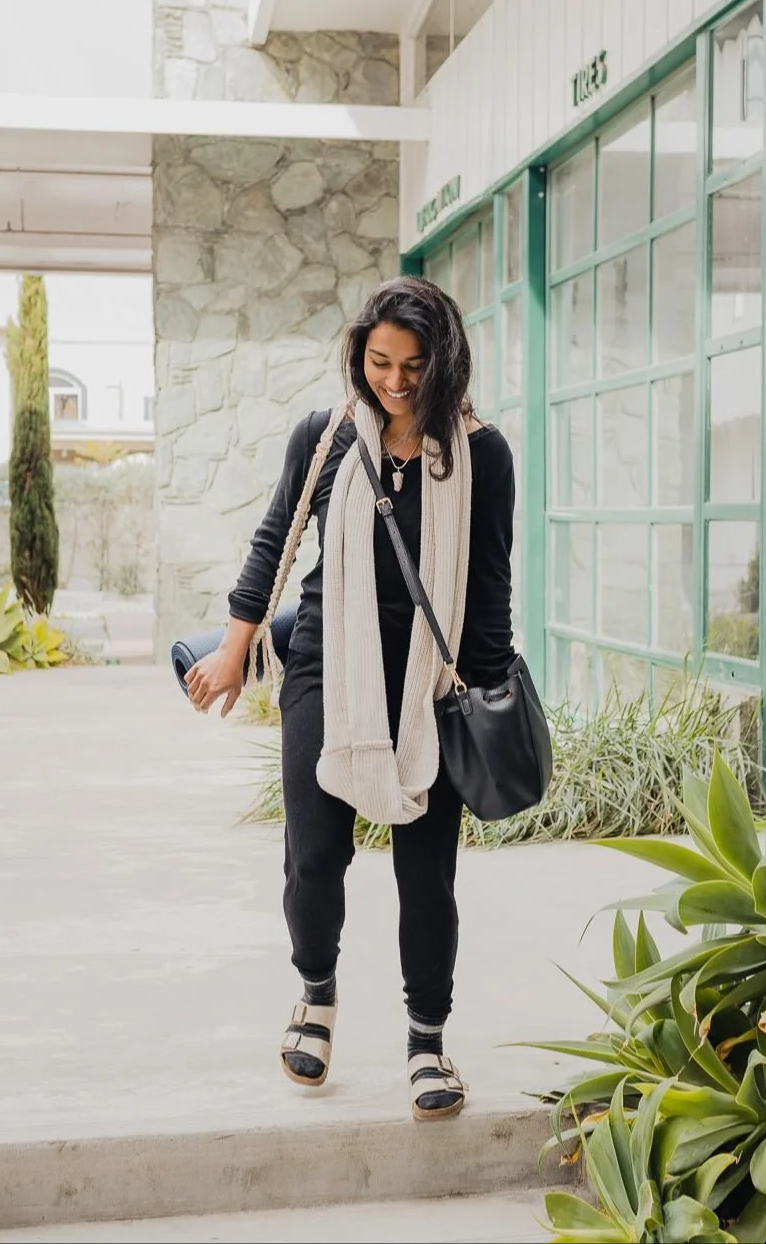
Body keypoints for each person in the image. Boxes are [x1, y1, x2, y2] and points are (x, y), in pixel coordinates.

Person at [185, 275, 515, 1121]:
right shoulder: (325, 434)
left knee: (425, 875)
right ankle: (316, 995)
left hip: (427, 685)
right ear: (358, 354)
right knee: (314, 854)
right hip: (325, 668)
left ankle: (426, 1039)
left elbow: (487, 591)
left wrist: (486, 700)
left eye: (413, 365)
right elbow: (275, 543)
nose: (396, 382)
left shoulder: (483, 454)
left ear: (443, 361)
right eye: (379, 362)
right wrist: (231, 651)